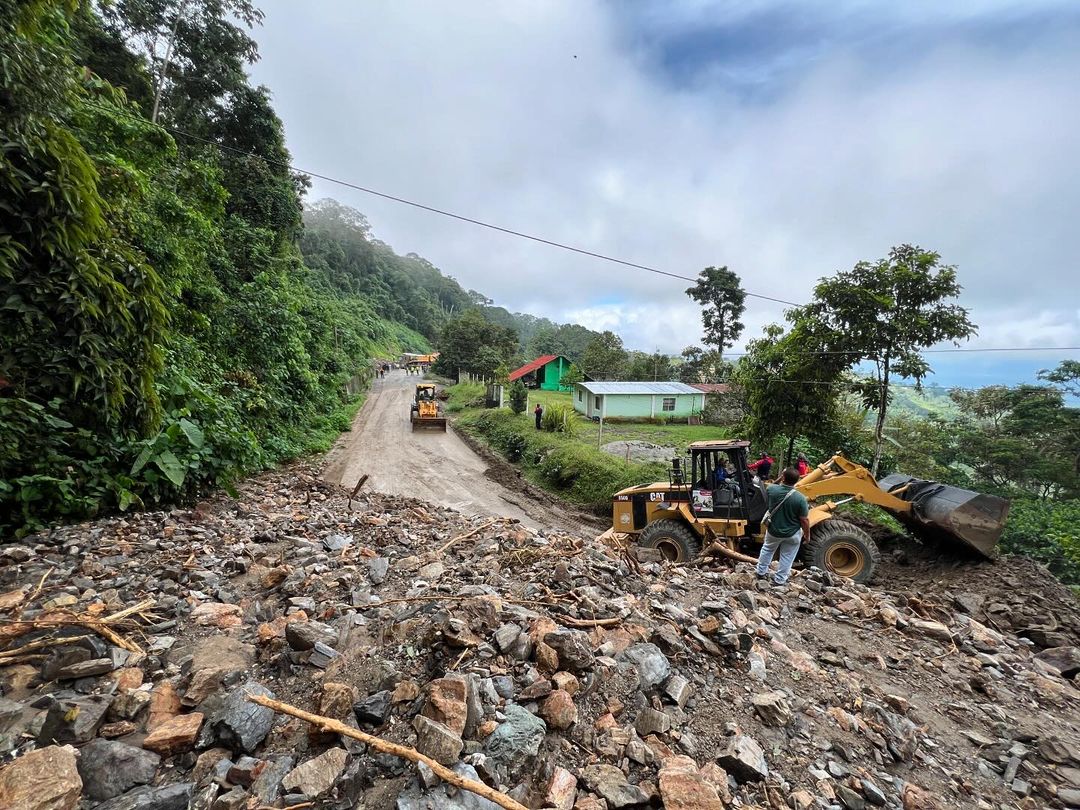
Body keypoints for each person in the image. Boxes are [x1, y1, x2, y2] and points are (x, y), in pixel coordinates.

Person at [755, 467, 810, 588]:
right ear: (797, 480)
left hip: (774, 530)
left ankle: (761, 572)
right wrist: (807, 535)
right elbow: (804, 520)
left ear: (783, 477)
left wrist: (781, 477)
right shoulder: (801, 498)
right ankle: (780, 580)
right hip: (792, 533)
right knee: (787, 556)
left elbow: (771, 486)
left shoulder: (772, 490)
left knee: (767, 549)